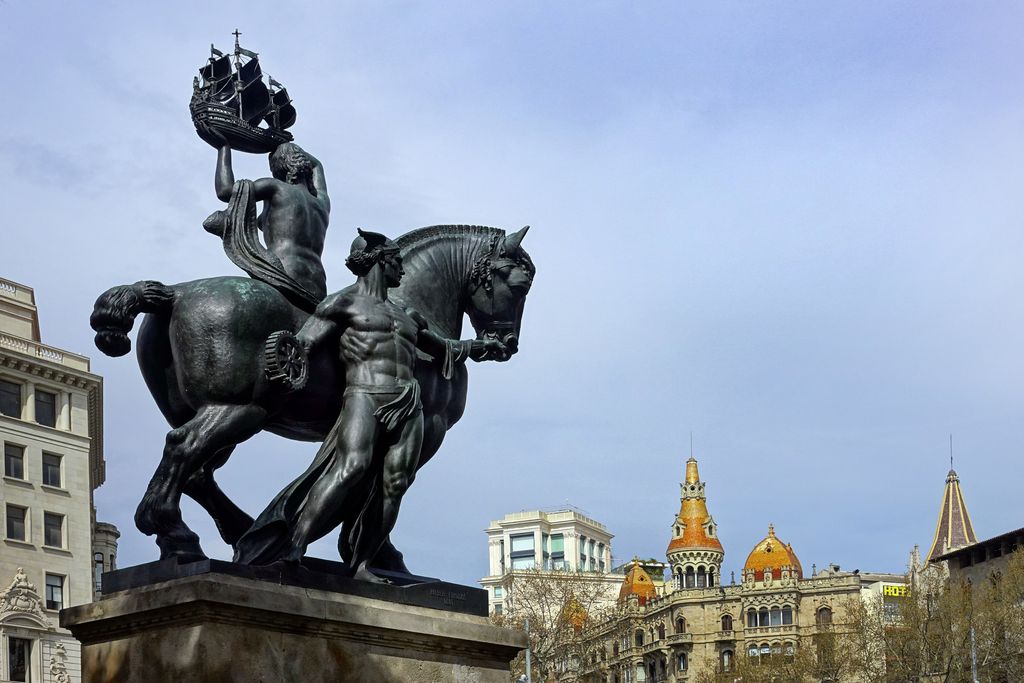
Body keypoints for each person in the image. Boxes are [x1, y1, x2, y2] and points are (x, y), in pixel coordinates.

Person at [234, 229, 508, 581]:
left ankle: (362, 563)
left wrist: (481, 346)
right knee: (350, 468)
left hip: (408, 401)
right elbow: (303, 343)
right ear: (380, 261)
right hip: (364, 394)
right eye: (396, 262)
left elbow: (443, 348)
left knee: (395, 484)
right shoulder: (341, 304)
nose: (402, 271)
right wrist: (283, 360)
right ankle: (293, 547)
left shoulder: (407, 313)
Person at [203, 139, 330, 309]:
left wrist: (224, 147)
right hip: (318, 284)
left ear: (279, 169)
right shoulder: (322, 202)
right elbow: (317, 165)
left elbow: (225, 191)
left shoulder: (276, 188)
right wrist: (283, 143)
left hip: (282, 273)